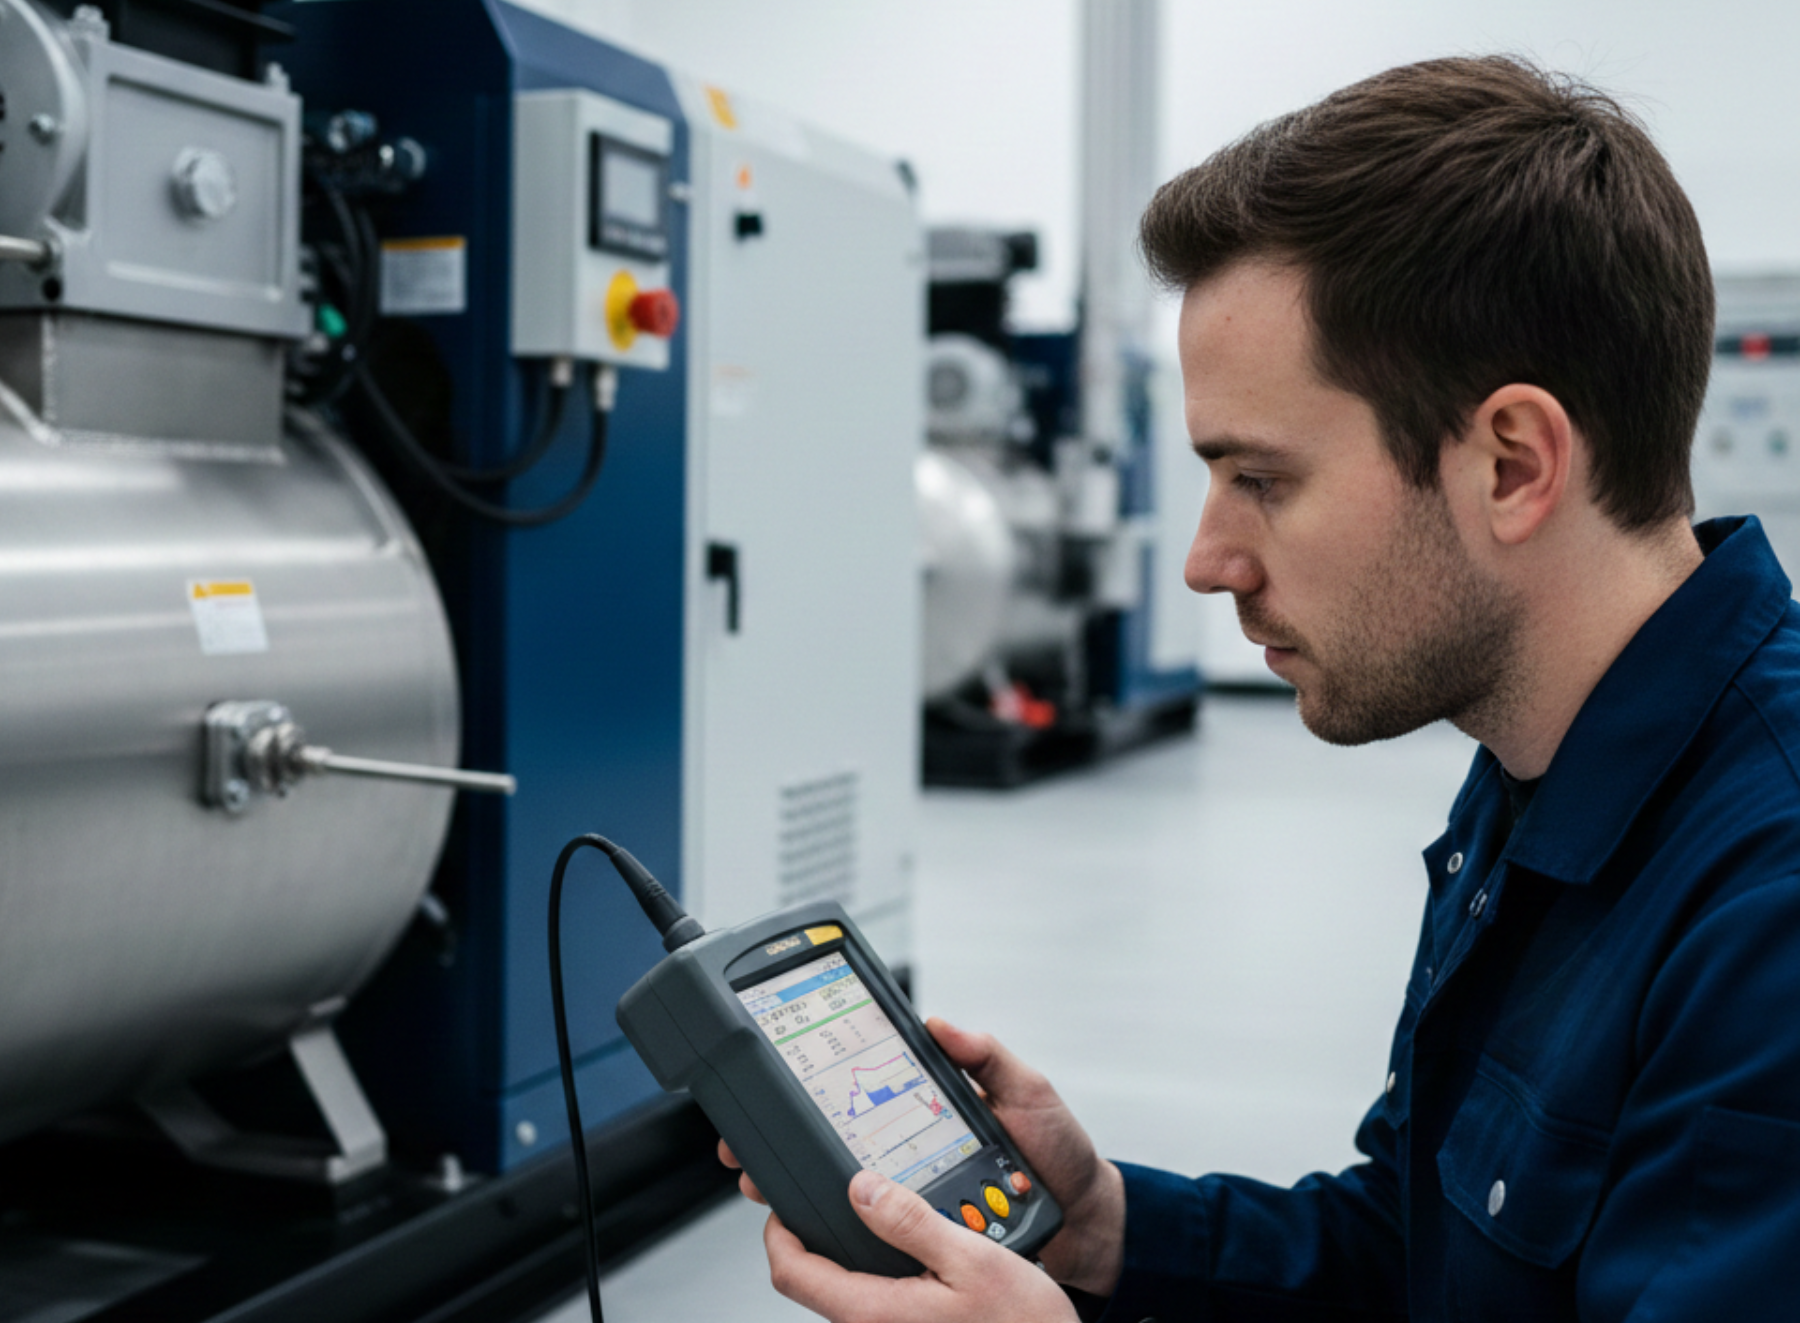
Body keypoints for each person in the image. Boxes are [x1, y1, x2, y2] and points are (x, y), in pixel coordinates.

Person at [721, 53, 1800, 1320]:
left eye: (1264, 480)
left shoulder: (1768, 910)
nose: (1203, 561)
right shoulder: (1534, 770)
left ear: (1511, 464)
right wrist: (1107, 1229)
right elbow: (1415, 1250)